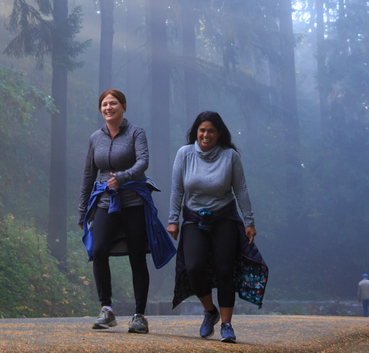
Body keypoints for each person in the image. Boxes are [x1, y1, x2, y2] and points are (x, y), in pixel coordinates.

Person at [78, 89, 174, 334]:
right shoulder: (95, 138)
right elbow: (89, 175)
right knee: (98, 250)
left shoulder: (136, 133)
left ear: (123, 106)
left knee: (136, 256)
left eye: (113, 104)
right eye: (104, 104)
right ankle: (106, 309)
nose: (108, 108)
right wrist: (82, 213)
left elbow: (143, 162)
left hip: (133, 202)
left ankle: (139, 315)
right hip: (104, 204)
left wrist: (121, 178)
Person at [167, 111, 266, 345]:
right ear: (196, 132)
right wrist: (173, 220)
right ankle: (210, 311)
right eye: (202, 130)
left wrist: (249, 222)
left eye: (211, 130)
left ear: (219, 133)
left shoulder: (230, 156)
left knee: (225, 270)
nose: (206, 134)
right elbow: (177, 190)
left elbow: (240, 190)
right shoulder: (184, 154)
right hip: (193, 219)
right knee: (193, 266)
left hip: (225, 218)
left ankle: (227, 325)